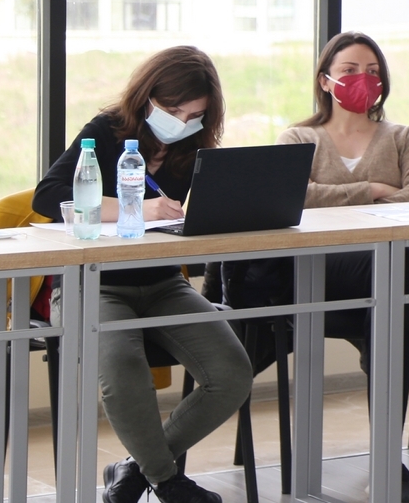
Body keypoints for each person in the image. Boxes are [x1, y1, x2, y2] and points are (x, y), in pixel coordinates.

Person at [220, 32, 409, 503]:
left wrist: (345, 197)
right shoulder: (299, 138)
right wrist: (372, 189)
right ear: (325, 81)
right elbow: (296, 196)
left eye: (372, 72)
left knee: (394, 294)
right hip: (319, 274)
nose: (362, 80)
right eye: (349, 71)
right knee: (401, 277)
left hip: (395, 271)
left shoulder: (403, 137)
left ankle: (389, 462)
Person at [33, 46, 252, 503]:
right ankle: (168, 482)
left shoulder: (193, 146)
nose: (183, 122)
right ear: (148, 96)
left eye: (195, 115)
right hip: (93, 282)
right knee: (123, 369)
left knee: (231, 373)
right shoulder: (106, 131)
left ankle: (134, 471)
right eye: (174, 111)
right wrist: (137, 208)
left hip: (162, 281)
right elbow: (49, 196)